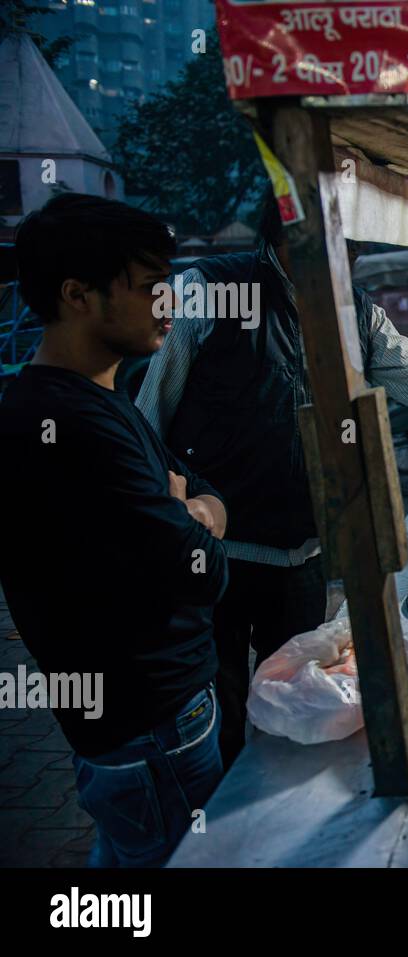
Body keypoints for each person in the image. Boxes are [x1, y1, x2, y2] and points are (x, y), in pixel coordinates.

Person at [136, 192, 408, 767]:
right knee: (219, 703)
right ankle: (219, 826)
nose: (351, 257)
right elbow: (151, 415)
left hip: (301, 551)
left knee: (292, 701)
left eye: (355, 245)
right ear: (292, 235)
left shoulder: (355, 313)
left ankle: (268, 815)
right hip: (214, 550)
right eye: (342, 243)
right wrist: (159, 524)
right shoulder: (212, 290)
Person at [0, 194, 230, 866]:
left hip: (149, 722)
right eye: (150, 286)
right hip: (150, 729)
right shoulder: (65, 423)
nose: (169, 302)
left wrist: (192, 507)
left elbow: (205, 495)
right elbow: (205, 569)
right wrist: (190, 513)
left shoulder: (102, 399)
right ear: (79, 295)